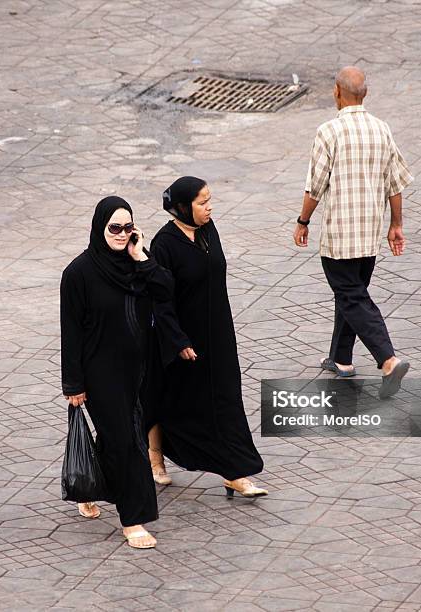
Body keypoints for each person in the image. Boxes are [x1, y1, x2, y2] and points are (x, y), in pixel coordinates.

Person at [60, 196, 175, 549]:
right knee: (127, 441)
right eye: (115, 227)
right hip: (100, 373)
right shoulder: (78, 273)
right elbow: (71, 332)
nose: (122, 234)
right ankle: (133, 520)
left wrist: (141, 257)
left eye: (128, 227)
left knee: (116, 437)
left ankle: (90, 486)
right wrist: (73, 383)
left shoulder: (136, 264)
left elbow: (166, 289)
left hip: (138, 370)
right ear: (99, 227)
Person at [294, 66, 414, 399]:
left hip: (340, 236)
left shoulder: (328, 131)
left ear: (337, 91)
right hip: (370, 233)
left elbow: (315, 186)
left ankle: (388, 360)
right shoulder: (382, 129)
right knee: (351, 293)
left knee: (352, 296)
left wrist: (302, 221)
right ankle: (341, 359)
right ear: (365, 93)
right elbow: (396, 183)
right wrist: (396, 224)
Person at [143, 176, 267, 498]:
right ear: (183, 207)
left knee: (226, 399)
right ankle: (155, 456)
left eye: (209, 200)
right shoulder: (164, 244)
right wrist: (178, 340)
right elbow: (161, 299)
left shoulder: (208, 230)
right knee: (170, 400)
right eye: (202, 202)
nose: (209, 207)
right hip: (183, 340)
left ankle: (234, 472)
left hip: (218, 334)